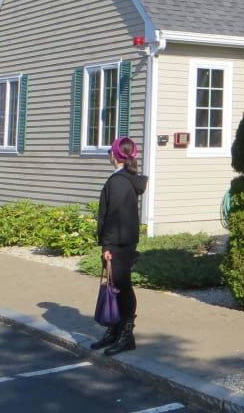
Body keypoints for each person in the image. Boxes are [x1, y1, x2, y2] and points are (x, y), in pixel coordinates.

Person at [90, 136, 148, 356]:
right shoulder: (125, 179)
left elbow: (113, 217)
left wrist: (107, 246)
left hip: (117, 245)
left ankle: (126, 336)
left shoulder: (118, 182)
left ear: (114, 155)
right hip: (123, 242)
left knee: (122, 288)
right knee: (117, 288)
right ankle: (114, 331)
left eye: (109, 151)